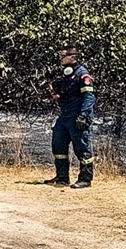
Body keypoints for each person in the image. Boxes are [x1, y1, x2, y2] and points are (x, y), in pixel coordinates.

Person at [43, 46, 97, 189]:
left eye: (63, 55)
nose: (61, 58)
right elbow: (68, 96)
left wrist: (84, 115)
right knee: (58, 143)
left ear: (73, 57)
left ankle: (85, 179)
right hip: (65, 116)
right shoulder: (66, 75)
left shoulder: (82, 75)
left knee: (81, 147)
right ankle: (62, 177)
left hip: (77, 116)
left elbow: (89, 96)